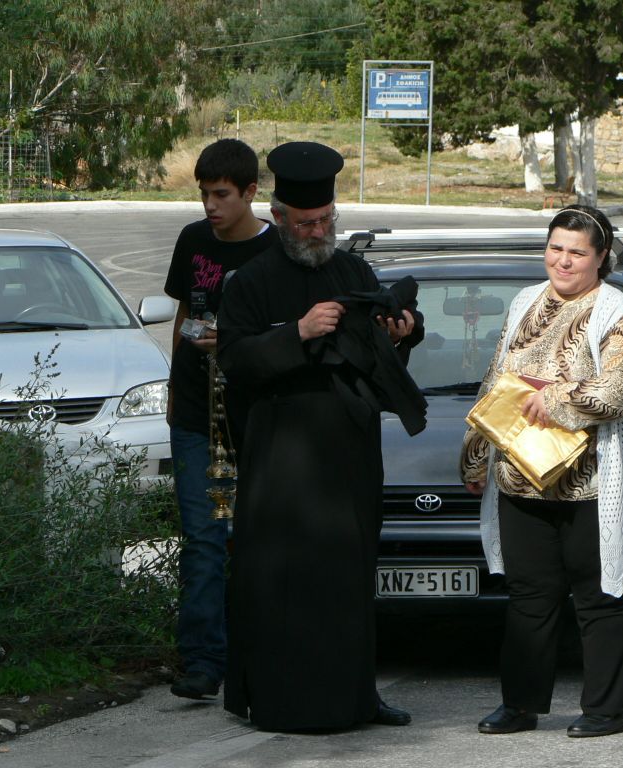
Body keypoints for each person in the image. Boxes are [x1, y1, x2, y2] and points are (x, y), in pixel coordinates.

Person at [216, 141, 425, 731]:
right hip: (282, 455)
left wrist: (403, 330)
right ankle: (279, 700)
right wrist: (298, 333)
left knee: (350, 577)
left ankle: (360, 696)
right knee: (283, 579)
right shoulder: (251, 281)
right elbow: (234, 357)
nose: (317, 232)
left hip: (350, 450)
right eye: (306, 223)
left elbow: (379, 337)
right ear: (279, 218)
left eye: (326, 221)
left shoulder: (351, 269)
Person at [460, 205, 623, 738]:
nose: (564, 260)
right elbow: (497, 378)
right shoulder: (525, 300)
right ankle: (521, 705)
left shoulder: (619, 313)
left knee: (600, 597)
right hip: (522, 477)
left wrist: (559, 400)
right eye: (556, 248)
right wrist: (476, 452)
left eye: (577, 252)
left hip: (595, 482)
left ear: (601, 258)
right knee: (529, 596)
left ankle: (606, 708)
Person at [164, 138, 279, 700]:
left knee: (256, 538)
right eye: (205, 194)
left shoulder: (275, 250)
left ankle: (256, 652)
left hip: (255, 417)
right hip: (194, 414)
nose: (211, 206)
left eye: (222, 195)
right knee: (203, 538)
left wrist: (234, 343)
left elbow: (285, 335)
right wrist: (174, 378)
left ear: (251, 193)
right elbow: (185, 310)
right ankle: (202, 661)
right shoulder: (192, 240)